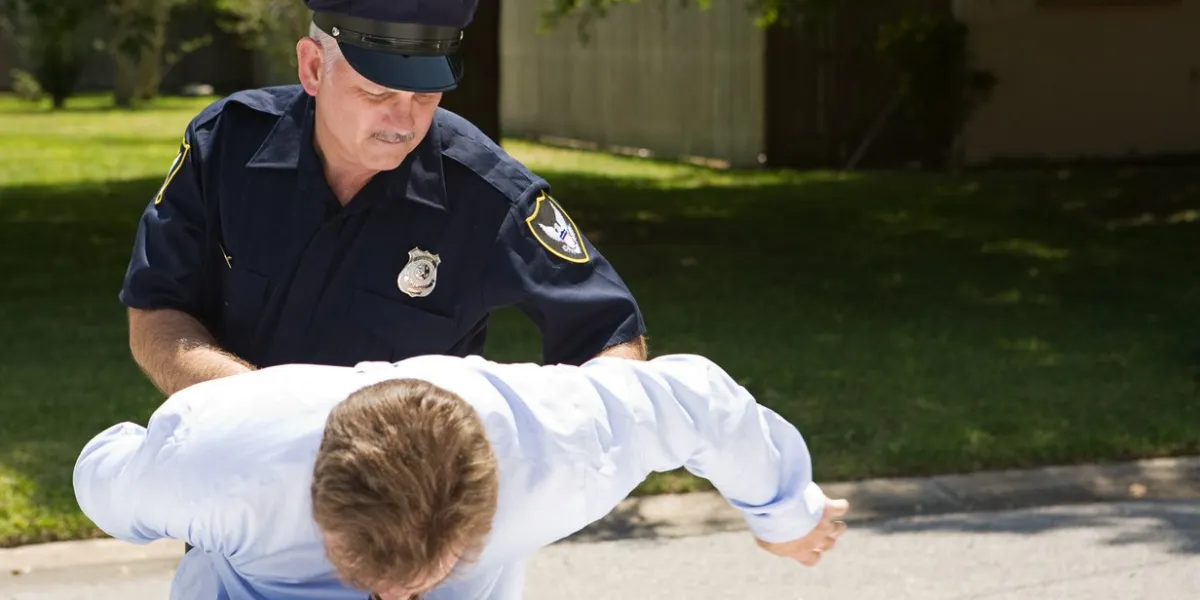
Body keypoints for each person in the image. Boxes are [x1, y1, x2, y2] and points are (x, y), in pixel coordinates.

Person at [119, 0, 648, 401]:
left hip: (408, 500)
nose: (403, 121)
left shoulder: (488, 194)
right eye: (376, 93)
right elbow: (156, 309)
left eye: (425, 95)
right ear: (313, 68)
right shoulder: (226, 144)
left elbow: (611, 338)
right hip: (233, 475)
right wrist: (258, 409)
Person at [74, 353, 851, 600]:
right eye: (364, 568)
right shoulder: (219, 462)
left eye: (425, 576)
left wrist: (785, 513)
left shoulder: (554, 449)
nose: (390, 599)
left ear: (491, 499)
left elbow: (698, 400)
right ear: (317, 495)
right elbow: (102, 473)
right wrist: (148, 463)